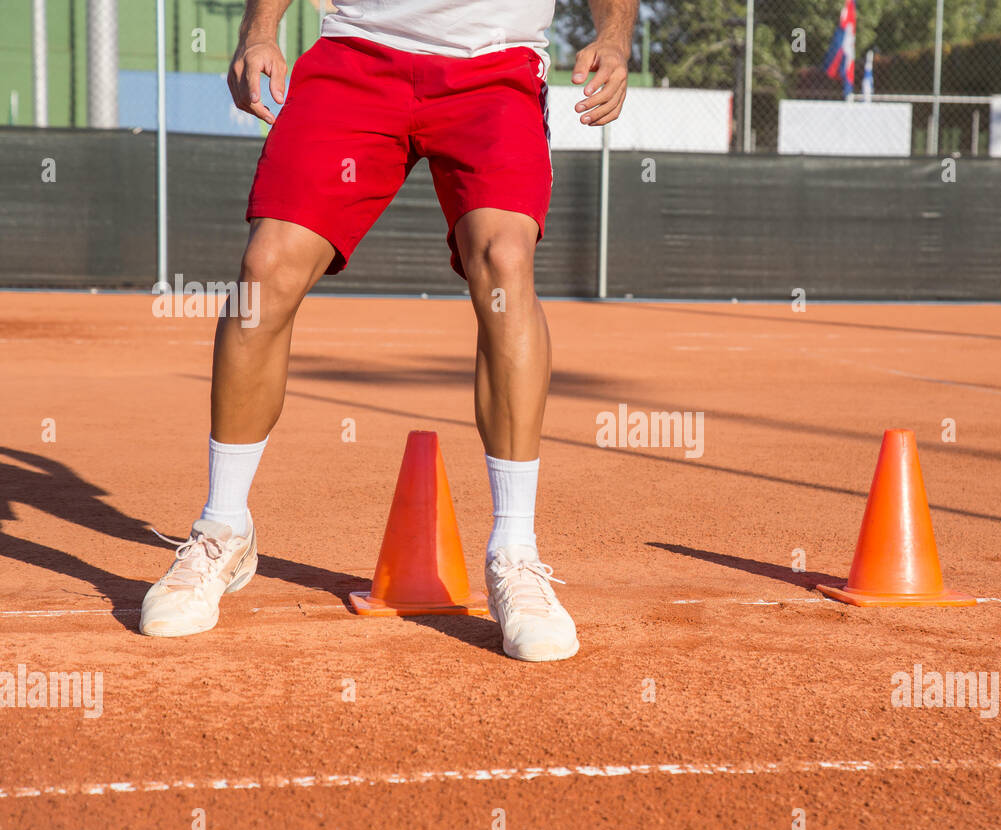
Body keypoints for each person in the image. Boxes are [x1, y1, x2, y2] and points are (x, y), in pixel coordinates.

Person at [140, 0, 634, 661]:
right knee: (267, 267)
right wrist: (260, 30)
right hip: (358, 57)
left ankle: (515, 554)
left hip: (495, 70)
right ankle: (222, 531)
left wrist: (615, 36)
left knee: (504, 261)